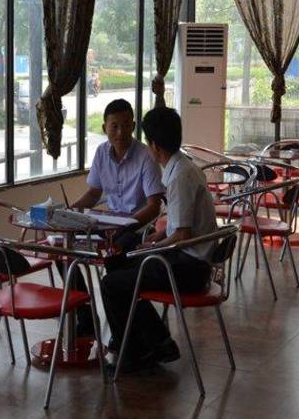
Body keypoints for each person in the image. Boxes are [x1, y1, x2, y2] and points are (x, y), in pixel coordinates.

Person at [101, 107, 218, 371]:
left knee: (112, 284)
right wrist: (159, 236)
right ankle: (153, 341)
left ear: (154, 145)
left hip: (189, 268)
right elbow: (181, 221)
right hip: (188, 259)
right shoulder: (183, 167)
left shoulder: (179, 177)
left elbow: (183, 235)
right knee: (117, 262)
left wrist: (154, 245)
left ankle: (134, 352)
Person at [69, 99, 165, 336]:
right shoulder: (101, 153)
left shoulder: (146, 156)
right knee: (64, 247)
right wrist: (69, 213)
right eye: (114, 126)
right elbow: (94, 193)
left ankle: (121, 329)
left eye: (125, 125)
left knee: (114, 256)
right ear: (105, 128)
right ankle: (85, 315)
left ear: (133, 125)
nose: (120, 132)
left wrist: (126, 226)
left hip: (137, 228)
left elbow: (154, 206)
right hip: (107, 225)